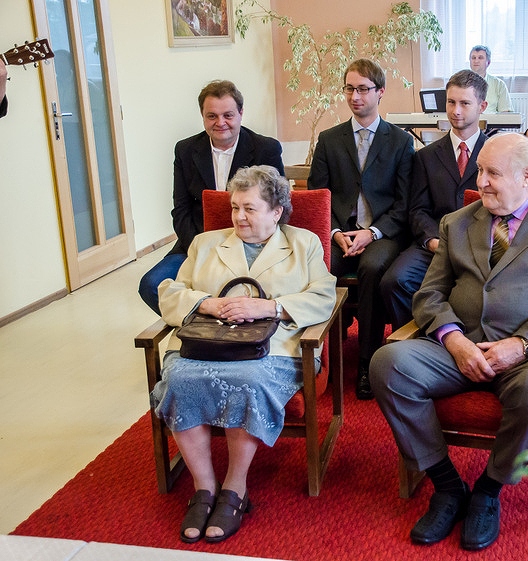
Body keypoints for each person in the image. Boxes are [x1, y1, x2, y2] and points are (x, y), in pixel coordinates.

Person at [370, 133, 528, 551]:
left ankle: (489, 490)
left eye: (493, 173)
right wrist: (454, 340)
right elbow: (429, 294)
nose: (481, 182)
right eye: (480, 171)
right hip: (456, 350)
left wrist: (522, 344)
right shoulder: (457, 223)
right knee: (387, 364)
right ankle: (447, 485)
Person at [151, 165, 336, 544]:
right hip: (205, 343)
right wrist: (206, 303)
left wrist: (270, 307)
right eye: (235, 207)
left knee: (248, 379)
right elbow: (170, 293)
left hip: (275, 348)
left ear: (277, 211)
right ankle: (205, 488)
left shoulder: (304, 244)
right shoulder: (205, 243)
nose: (238, 217)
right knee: (180, 378)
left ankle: (235, 488)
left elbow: (324, 296)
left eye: (250, 209)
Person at [308, 58, 414, 401]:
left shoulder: (400, 141)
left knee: (371, 268)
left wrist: (373, 233)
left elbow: (404, 204)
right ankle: (317, 356)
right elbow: (318, 197)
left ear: (380, 92)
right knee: (319, 266)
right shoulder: (329, 139)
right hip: (339, 232)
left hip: (382, 233)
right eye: (350, 89)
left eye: (363, 89)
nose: (355, 97)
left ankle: (368, 363)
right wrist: (335, 233)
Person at [138, 80, 284, 315]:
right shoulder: (185, 150)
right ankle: (205, 322)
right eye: (212, 116)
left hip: (251, 244)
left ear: (241, 113)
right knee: (151, 284)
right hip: (197, 240)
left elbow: (276, 205)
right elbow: (181, 209)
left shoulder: (265, 148)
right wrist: (201, 249)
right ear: (202, 116)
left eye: (228, 115)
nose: (220, 122)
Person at [380, 69, 488, 329]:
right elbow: (417, 209)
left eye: (465, 103)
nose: (456, 111)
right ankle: (418, 338)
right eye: (451, 102)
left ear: (482, 107)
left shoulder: (493, 153)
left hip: (480, 247)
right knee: (394, 282)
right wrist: (432, 241)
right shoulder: (425, 156)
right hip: (435, 244)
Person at [469, 45, 511, 114]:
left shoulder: (499, 84)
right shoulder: (461, 83)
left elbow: (505, 112)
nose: (476, 61)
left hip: (491, 120)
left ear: (488, 62)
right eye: (473, 58)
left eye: (480, 58)